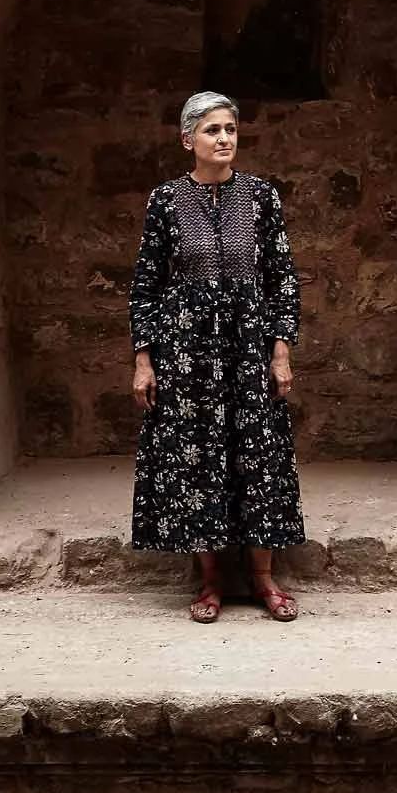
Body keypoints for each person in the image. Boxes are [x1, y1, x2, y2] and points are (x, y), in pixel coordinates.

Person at [129, 90, 305, 622]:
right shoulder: (165, 201)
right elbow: (146, 285)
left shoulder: (260, 198)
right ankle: (209, 581)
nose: (224, 138)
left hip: (249, 345)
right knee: (198, 456)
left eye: (230, 129)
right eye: (211, 130)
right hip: (187, 350)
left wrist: (281, 352)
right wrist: (144, 359)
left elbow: (282, 279)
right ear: (188, 140)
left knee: (260, 455)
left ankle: (264, 579)